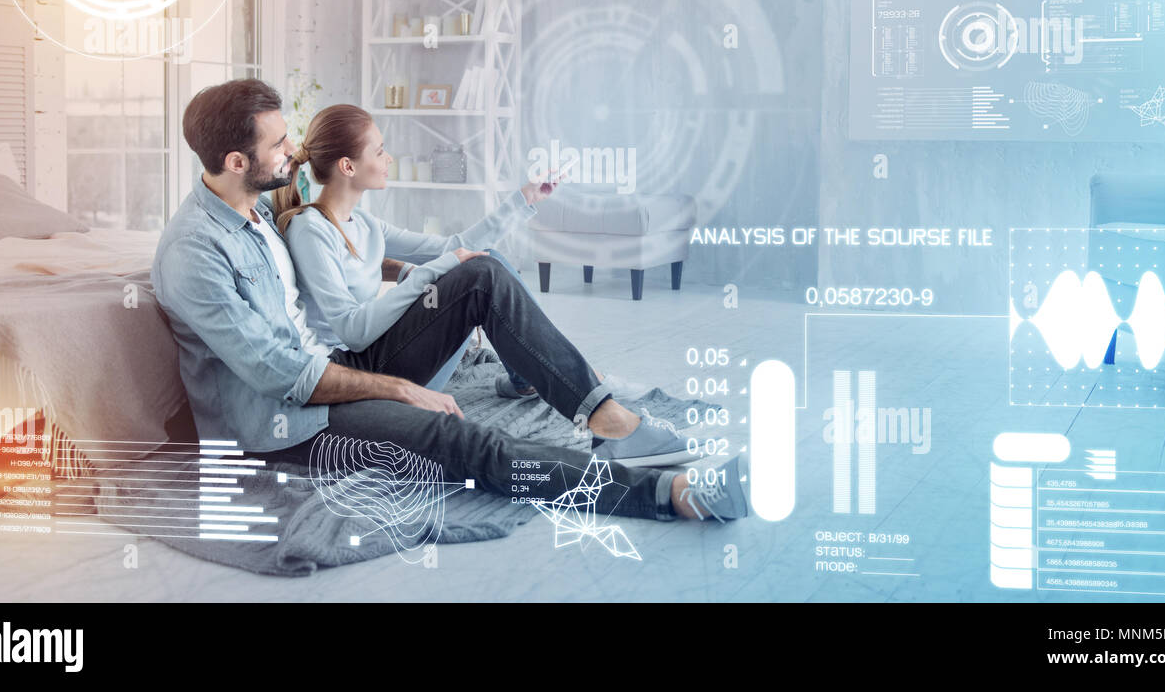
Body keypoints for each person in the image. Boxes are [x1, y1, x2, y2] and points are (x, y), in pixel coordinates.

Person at [150, 79, 748, 523]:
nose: (291, 151)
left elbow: (375, 282)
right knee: (460, 442)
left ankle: (605, 416)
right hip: (282, 423)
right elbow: (276, 371)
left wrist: (511, 209)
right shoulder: (196, 251)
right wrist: (400, 388)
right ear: (236, 162)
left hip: (335, 370)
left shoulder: (257, 215)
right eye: (278, 143)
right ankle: (669, 494)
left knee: (481, 276)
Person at [273, 103, 688, 467]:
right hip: (357, 372)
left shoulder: (364, 223)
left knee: (482, 262)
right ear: (348, 167)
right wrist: (426, 274)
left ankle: (531, 376)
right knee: (478, 274)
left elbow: (455, 246)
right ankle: (603, 419)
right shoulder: (310, 230)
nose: (389, 158)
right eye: (379, 151)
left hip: (386, 357)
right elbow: (352, 328)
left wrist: (522, 200)